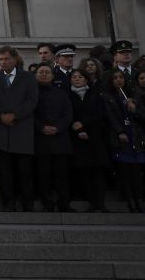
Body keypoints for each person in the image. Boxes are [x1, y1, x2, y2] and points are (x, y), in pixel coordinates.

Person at [0, 46, 38, 211]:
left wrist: (15, 115)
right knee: (4, 171)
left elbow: (32, 101)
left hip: (21, 129)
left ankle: (27, 202)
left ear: (15, 59)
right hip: (1, 130)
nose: (3, 62)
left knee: (24, 171)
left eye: (6, 59)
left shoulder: (28, 77)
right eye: (0, 59)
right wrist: (0, 115)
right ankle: (8, 202)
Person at [33, 64, 75, 212]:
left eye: (47, 72)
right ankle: (47, 202)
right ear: (36, 75)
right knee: (43, 174)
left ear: (52, 76)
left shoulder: (62, 93)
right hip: (40, 140)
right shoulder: (32, 94)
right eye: (41, 72)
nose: (44, 74)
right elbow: (30, 114)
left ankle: (64, 202)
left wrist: (57, 128)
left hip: (60, 140)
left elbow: (68, 114)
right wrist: (40, 127)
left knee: (62, 175)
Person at [67, 69, 110, 212]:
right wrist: (78, 130)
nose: (77, 79)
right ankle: (92, 203)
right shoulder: (68, 96)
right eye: (74, 77)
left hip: (96, 138)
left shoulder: (95, 95)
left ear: (86, 80)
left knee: (98, 171)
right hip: (78, 139)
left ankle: (101, 204)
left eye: (80, 77)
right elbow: (69, 116)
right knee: (84, 171)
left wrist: (84, 125)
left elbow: (101, 115)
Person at [104, 70, 145, 212]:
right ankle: (130, 201)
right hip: (120, 137)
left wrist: (134, 109)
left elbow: (142, 117)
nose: (118, 80)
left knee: (137, 172)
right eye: (114, 78)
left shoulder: (134, 96)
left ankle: (139, 200)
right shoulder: (108, 97)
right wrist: (119, 131)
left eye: (120, 77)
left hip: (135, 136)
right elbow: (110, 117)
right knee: (125, 172)